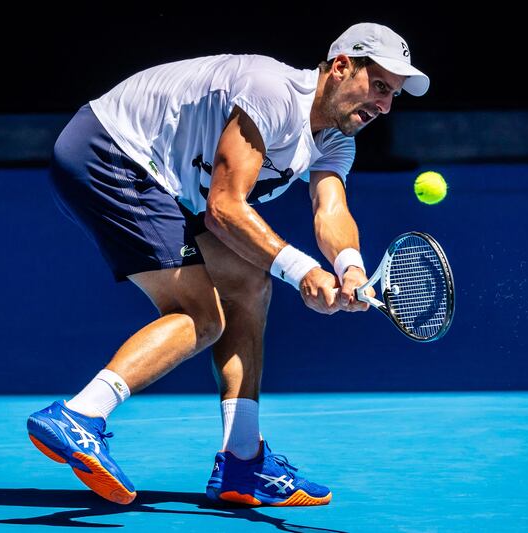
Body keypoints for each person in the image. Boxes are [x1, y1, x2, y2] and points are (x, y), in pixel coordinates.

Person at [26, 22, 429, 507]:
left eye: (393, 95)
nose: (384, 106)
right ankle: (81, 414)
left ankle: (242, 461)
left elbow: (330, 209)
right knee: (201, 315)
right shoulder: (274, 93)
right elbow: (223, 208)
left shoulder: (337, 139)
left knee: (249, 282)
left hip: (162, 181)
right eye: (379, 86)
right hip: (112, 151)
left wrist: (350, 268)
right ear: (341, 66)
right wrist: (305, 272)